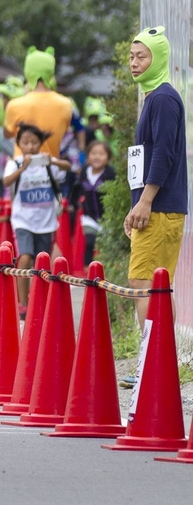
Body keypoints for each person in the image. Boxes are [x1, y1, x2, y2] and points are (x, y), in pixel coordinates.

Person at [121, 27, 186, 390]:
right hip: (153, 206)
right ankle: (159, 364)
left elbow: (163, 154)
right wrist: (135, 205)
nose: (134, 62)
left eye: (141, 56)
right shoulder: (154, 97)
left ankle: (154, 365)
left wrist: (145, 201)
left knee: (146, 283)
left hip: (159, 207)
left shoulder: (162, 99)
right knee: (155, 284)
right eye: (131, 56)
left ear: (158, 59)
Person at [2, 124, 70, 319]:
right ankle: (22, 303)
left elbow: (68, 167)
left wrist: (53, 162)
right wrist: (22, 168)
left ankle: (39, 300)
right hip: (22, 221)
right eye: (25, 142)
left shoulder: (47, 163)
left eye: (34, 142)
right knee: (25, 257)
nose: (30, 146)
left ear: (40, 143)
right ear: (19, 144)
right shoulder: (14, 163)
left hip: (46, 222)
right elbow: (6, 182)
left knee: (43, 261)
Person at [3, 46, 81, 159]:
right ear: (51, 72)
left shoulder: (15, 104)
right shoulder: (66, 104)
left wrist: (25, 96)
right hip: (51, 167)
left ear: (28, 71)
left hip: (23, 168)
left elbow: (7, 134)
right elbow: (64, 131)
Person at [69, 140, 115, 267]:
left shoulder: (110, 173)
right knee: (89, 242)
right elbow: (76, 188)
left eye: (101, 154)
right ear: (88, 156)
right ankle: (88, 270)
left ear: (108, 157)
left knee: (106, 246)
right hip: (88, 216)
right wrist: (73, 203)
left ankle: (106, 270)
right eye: (93, 153)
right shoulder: (85, 171)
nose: (97, 157)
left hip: (107, 218)